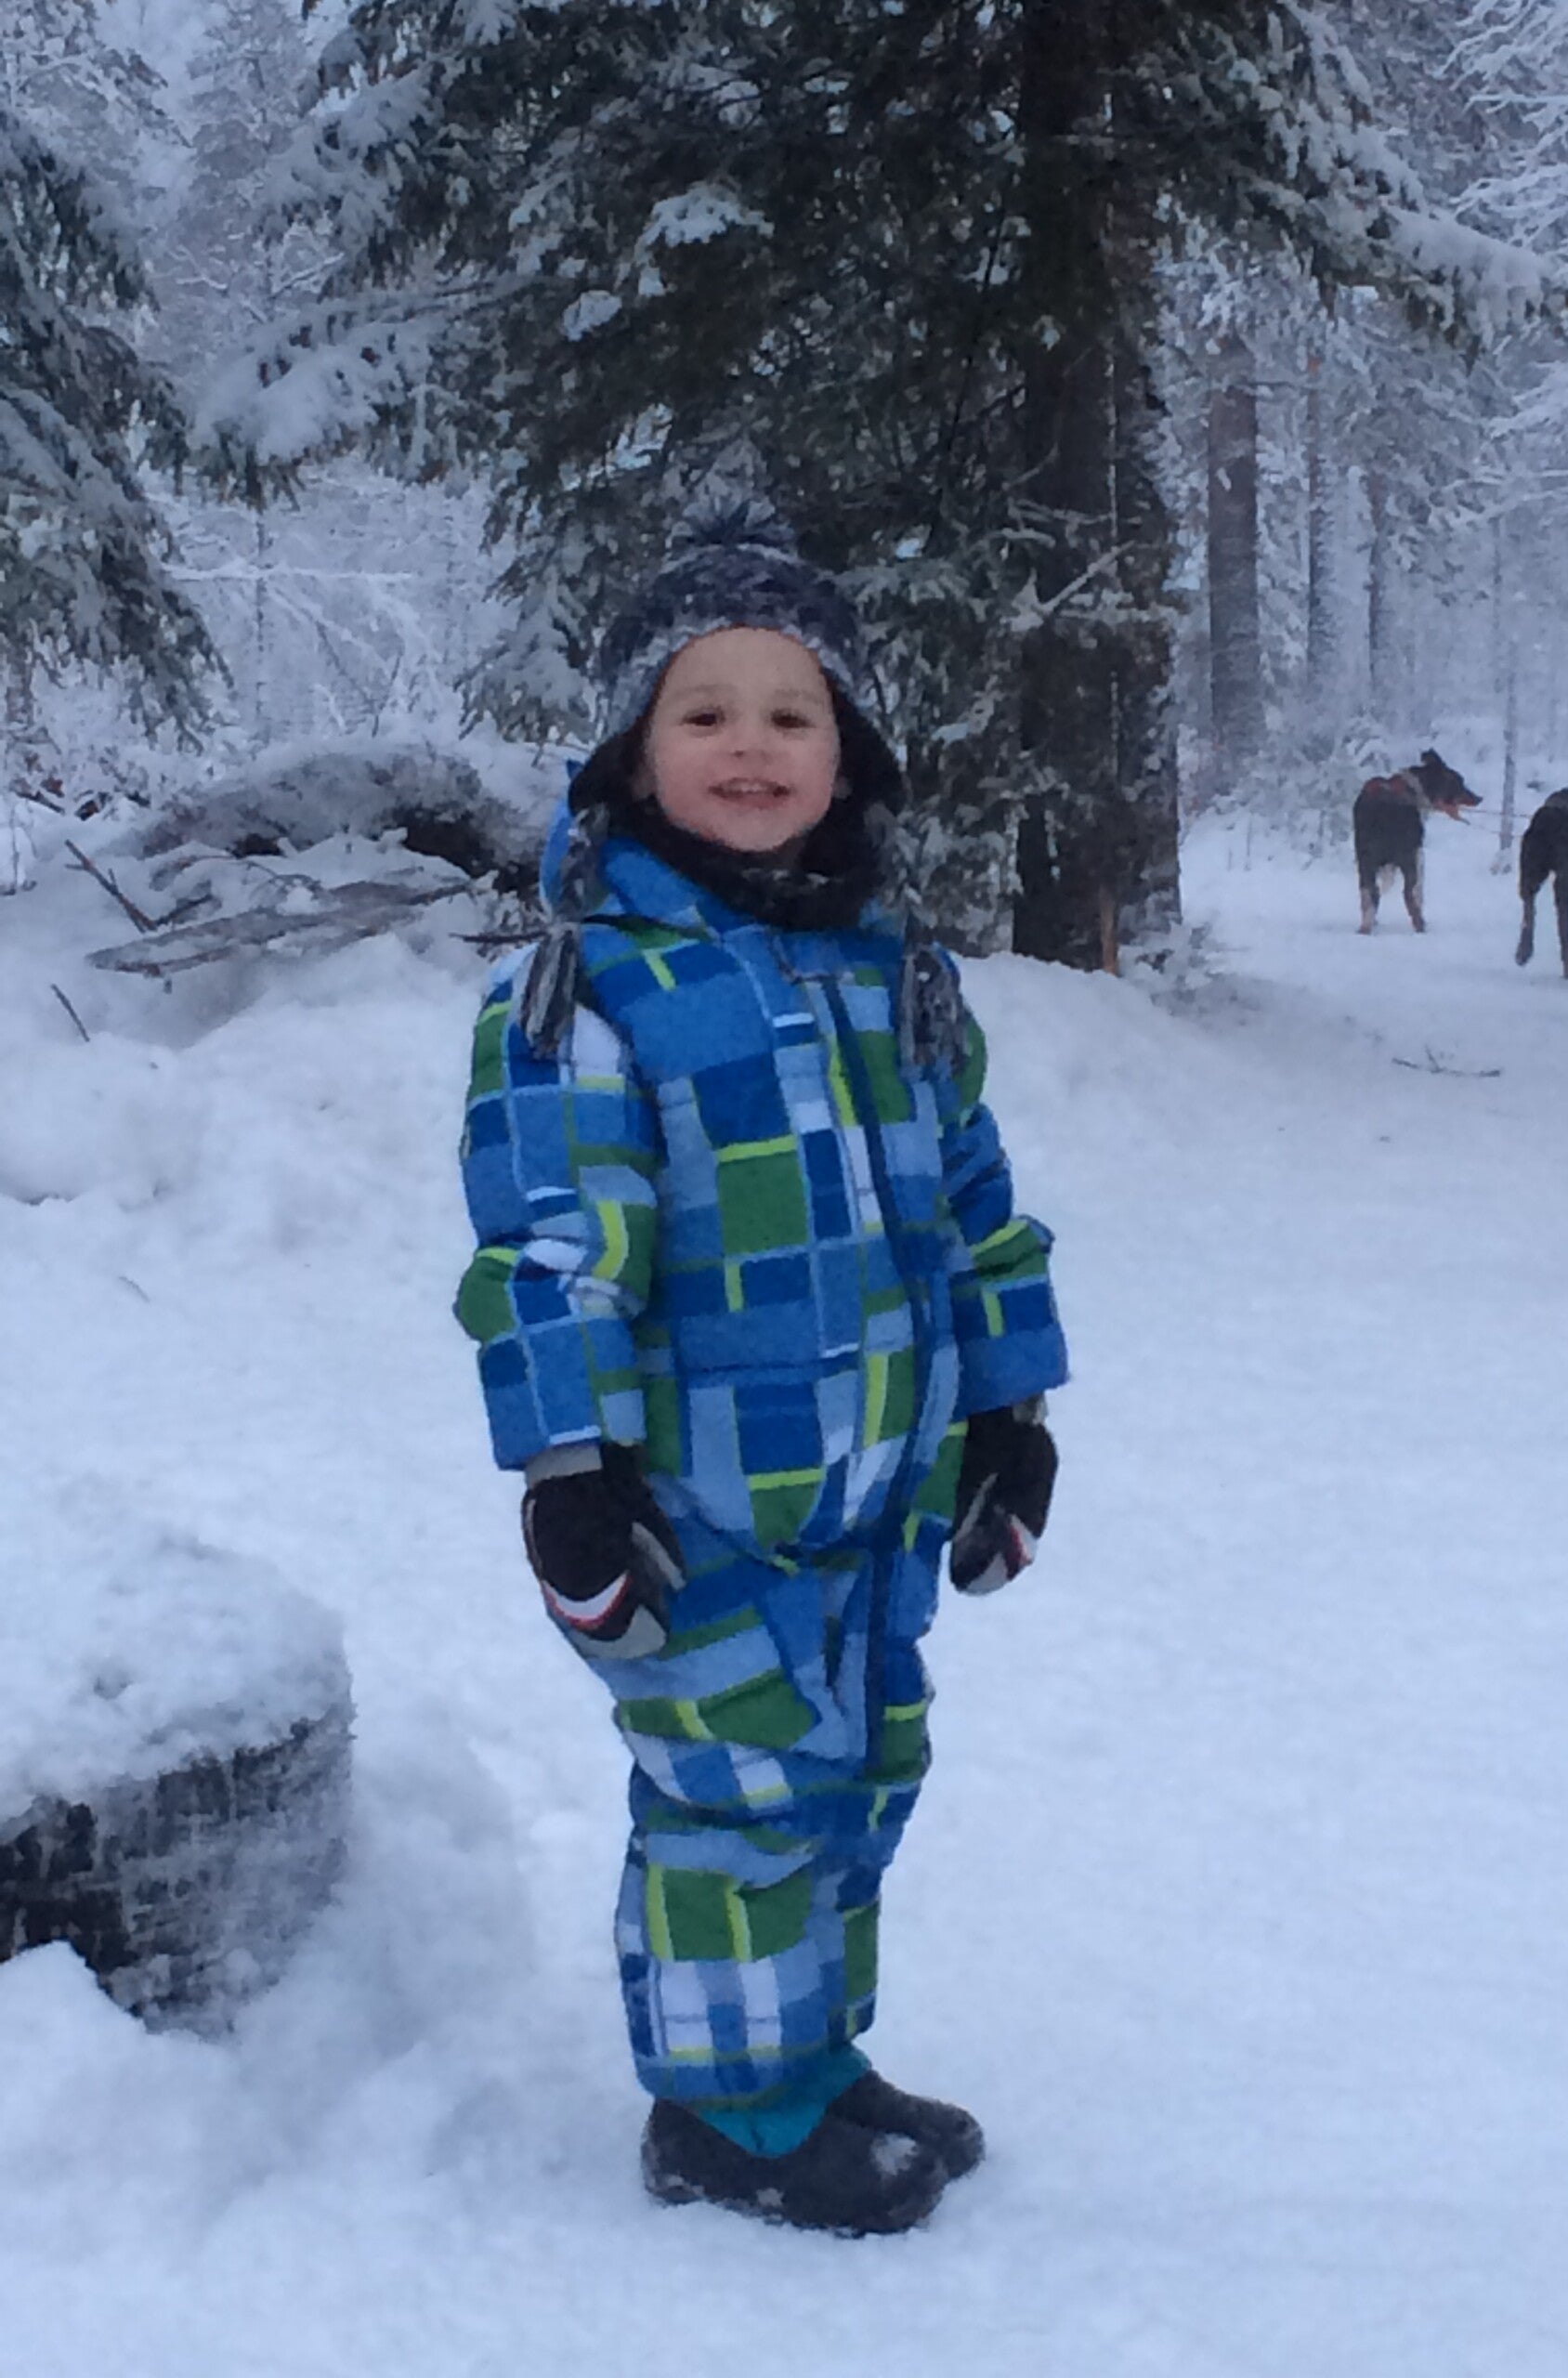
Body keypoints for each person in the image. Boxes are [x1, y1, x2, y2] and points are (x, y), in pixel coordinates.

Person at [455, 508, 1067, 2235]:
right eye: (701, 712)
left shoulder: (897, 974)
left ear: (848, 753)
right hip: (691, 1503)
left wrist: (1010, 1413)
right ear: (634, 758)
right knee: (736, 1796)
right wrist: (571, 1470)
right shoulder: (585, 993)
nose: (748, 746)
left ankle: (808, 2061)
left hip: (871, 1495)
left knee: (862, 1770)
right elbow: (552, 1246)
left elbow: (974, 1212)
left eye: (790, 715)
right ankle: (722, 2117)